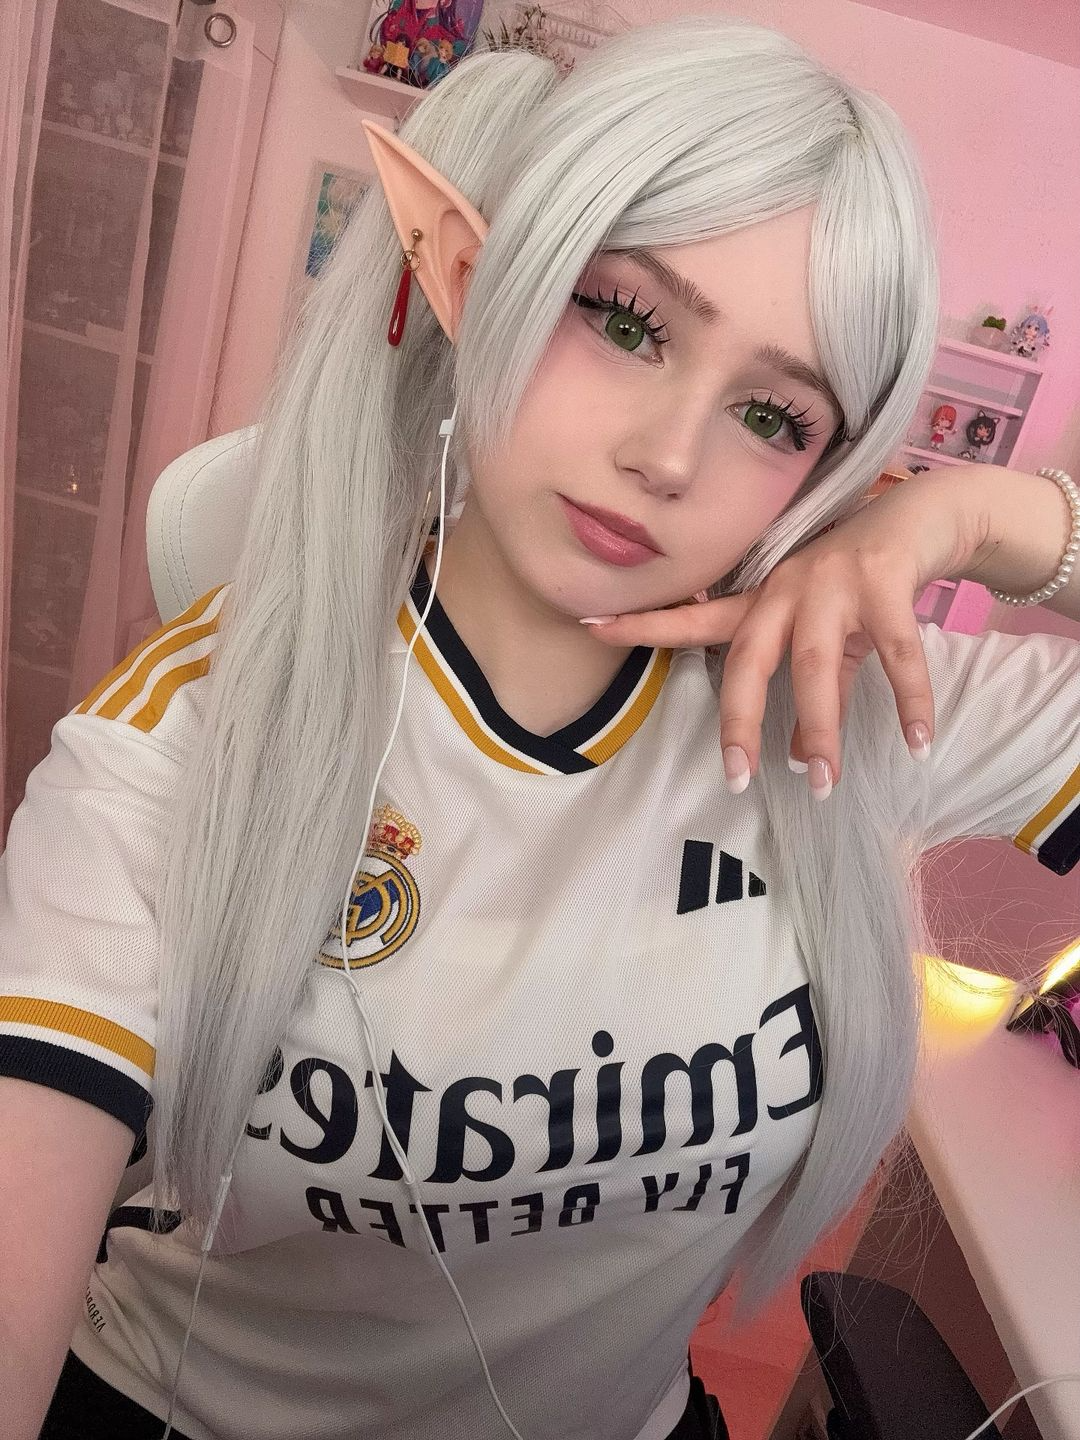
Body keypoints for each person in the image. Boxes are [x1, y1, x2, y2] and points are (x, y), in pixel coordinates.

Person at [2, 15, 1079, 1440]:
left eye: (775, 417)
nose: (668, 455)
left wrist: (975, 515)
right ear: (474, 280)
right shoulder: (182, 745)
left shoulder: (848, 711)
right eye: (624, 322)